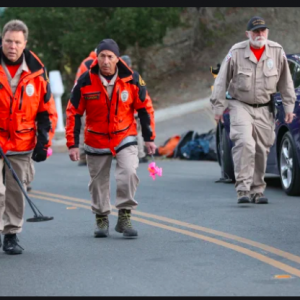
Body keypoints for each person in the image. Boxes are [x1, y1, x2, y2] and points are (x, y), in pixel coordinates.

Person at [66, 38, 156, 238]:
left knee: (129, 173)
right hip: (96, 138)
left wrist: (149, 138)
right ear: (96, 58)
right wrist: (72, 144)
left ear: (117, 59)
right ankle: (101, 216)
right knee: (98, 181)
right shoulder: (85, 81)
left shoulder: (132, 79)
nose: (105, 61)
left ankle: (124, 215)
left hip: (124, 134)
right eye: (102, 56)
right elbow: (73, 113)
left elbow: (144, 109)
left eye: (110, 57)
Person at [210, 16, 295, 204]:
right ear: (247, 34)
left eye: (263, 31)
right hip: (240, 105)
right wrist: (218, 106)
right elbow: (221, 79)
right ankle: (243, 189)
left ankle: (257, 190)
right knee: (245, 143)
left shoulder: (276, 51)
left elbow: (286, 82)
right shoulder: (236, 52)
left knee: (261, 149)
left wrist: (289, 106)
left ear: (267, 32)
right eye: (255, 31)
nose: (260, 34)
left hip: (265, 107)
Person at [0, 20, 58, 254]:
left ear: (25, 44)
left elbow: (47, 112)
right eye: (8, 41)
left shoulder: (38, 72)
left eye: (17, 42)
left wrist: (44, 143)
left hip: (22, 143)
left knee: (15, 192)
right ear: (1, 40)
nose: (12, 46)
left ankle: (11, 235)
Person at [121, 55, 148, 163]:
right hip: (136, 109)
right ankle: (141, 154)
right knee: (138, 132)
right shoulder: (136, 76)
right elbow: (143, 90)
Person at [74, 49, 97, 166]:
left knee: (84, 127)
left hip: (80, 97)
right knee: (86, 127)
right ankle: (84, 155)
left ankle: (84, 155)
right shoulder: (91, 63)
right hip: (85, 98)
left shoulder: (86, 62)